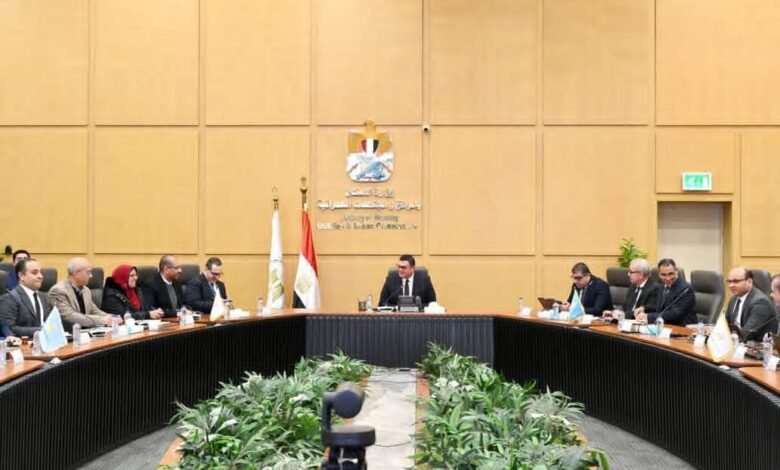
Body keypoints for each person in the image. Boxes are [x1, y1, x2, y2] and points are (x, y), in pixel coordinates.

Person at [48, 257, 113, 332]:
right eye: (88, 272)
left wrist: (112, 317)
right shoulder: (58, 291)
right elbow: (70, 316)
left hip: (85, 333)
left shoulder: (86, 290)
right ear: (76, 273)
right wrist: (102, 320)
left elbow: (94, 310)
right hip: (67, 335)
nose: (91, 276)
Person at [636, 258, 696, 326]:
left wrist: (648, 316)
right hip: (664, 326)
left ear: (676, 271)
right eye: (663, 275)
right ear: (659, 274)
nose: (668, 278)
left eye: (671, 274)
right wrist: (644, 308)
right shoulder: (661, 286)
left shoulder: (686, 290)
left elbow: (674, 313)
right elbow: (658, 307)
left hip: (682, 328)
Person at [0, 259, 51, 337]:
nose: (40, 276)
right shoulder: (10, 298)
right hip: (25, 342)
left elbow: (50, 323)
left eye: (40, 272)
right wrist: (41, 331)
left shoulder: (45, 297)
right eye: (34, 273)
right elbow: (10, 329)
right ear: (21, 276)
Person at [725, 267, 777, 342]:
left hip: (757, 346)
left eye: (736, 281)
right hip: (738, 343)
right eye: (729, 282)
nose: (731, 285)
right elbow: (726, 325)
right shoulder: (734, 299)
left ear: (749, 281)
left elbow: (747, 334)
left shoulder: (760, 302)